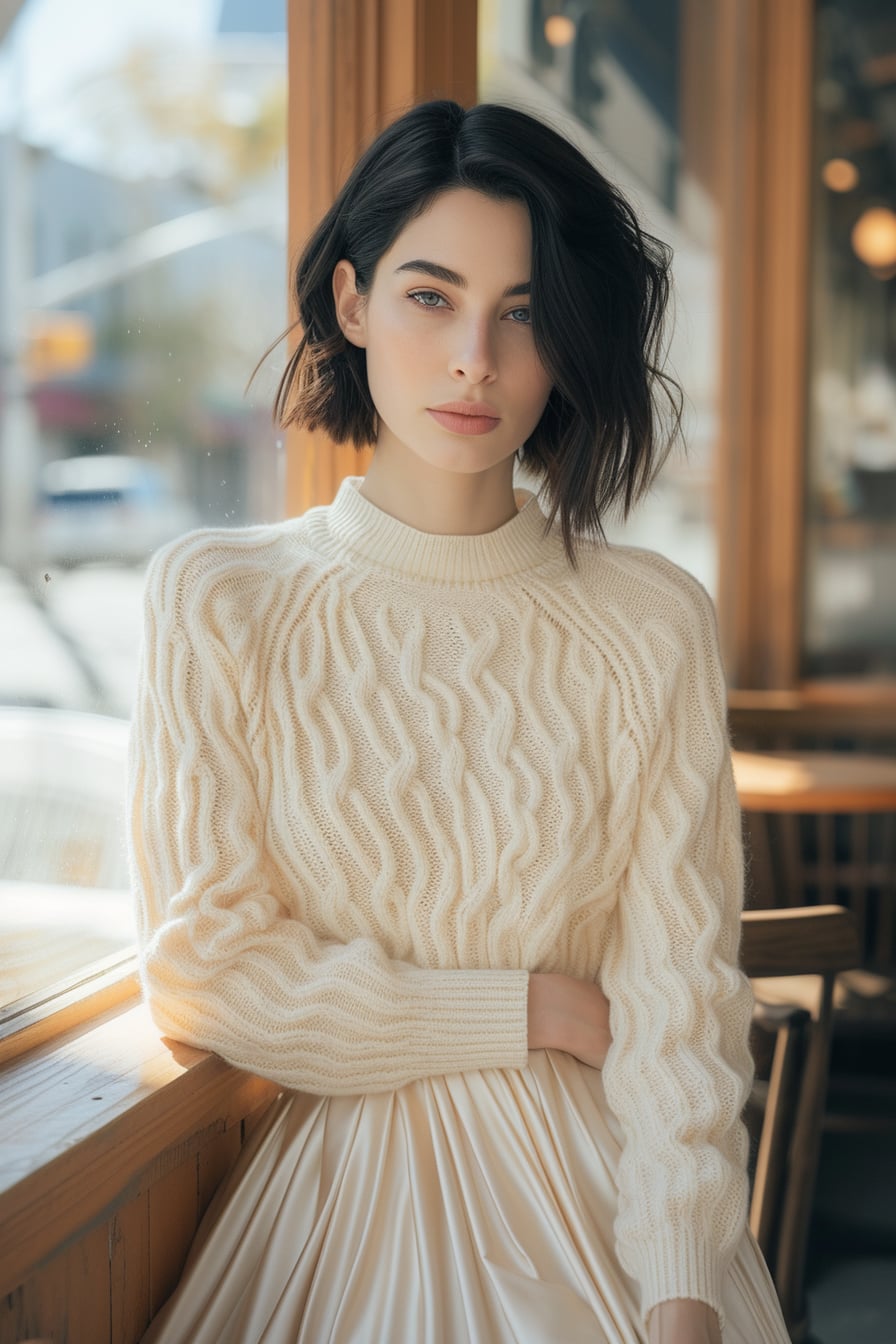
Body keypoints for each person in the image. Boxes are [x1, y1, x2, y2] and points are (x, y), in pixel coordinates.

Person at [128, 99, 791, 1344]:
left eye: (525, 311)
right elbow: (205, 970)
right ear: (351, 301)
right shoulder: (221, 598)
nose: (476, 357)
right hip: (334, 1228)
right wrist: (523, 1009)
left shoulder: (649, 622)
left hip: (618, 1231)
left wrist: (682, 1293)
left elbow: (680, 1009)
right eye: (430, 296)